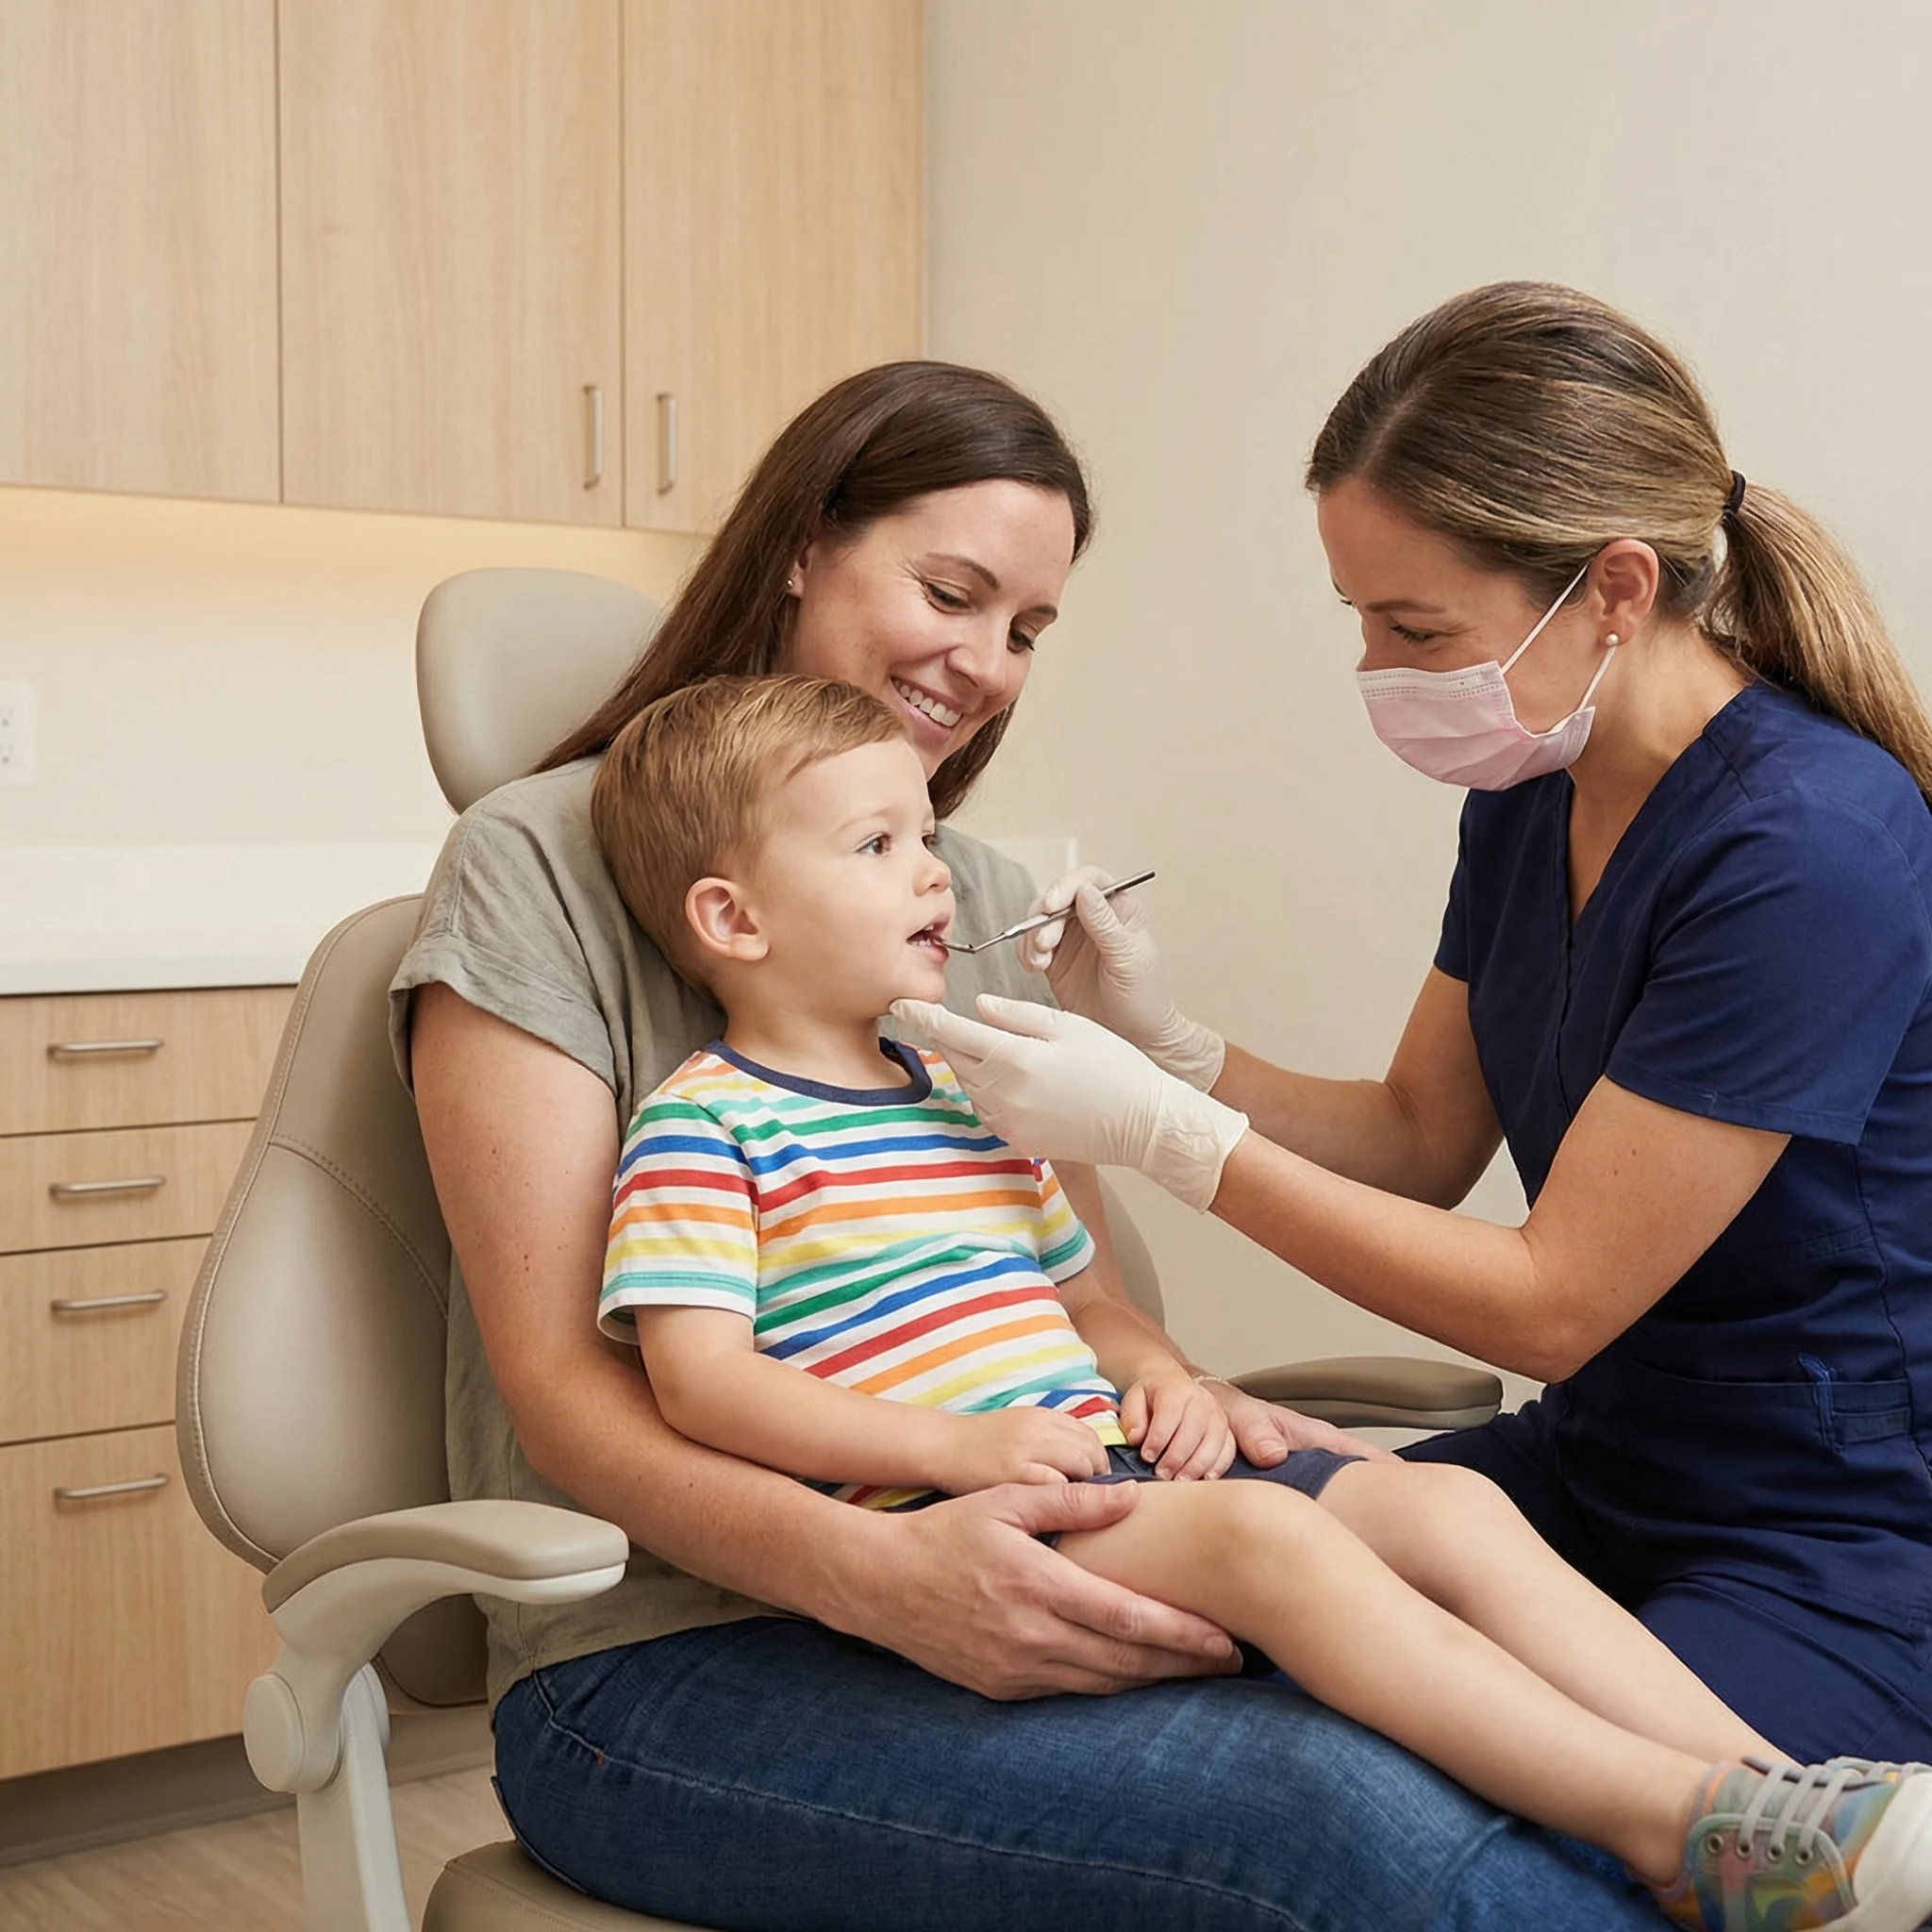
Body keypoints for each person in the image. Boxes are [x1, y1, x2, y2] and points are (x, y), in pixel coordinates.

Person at [395, 357, 1688, 1928]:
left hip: (1047, 1511)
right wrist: (882, 1578)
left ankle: (1789, 1838)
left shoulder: (958, 900)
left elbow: (1067, 1285)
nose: (987, 665)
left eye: (1028, 629)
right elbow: (568, 1403)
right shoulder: (532, 863)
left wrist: (1174, 1381)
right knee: (1348, 1818)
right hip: (676, 1655)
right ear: (804, 542)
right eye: (951, 592)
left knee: (1450, 1643)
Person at [590, 668, 1932, 1932]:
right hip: (969, 1518)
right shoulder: (709, 1126)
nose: (936, 869)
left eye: (929, 833)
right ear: (732, 919)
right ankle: (1674, 1825)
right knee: (1276, 1551)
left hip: (1101, 1474)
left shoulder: (965, 1099)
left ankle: (1801, 1811)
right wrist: (950, 1447)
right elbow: (701, 1383)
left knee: (1445, 1501)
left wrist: (1157, 1369)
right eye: (878, 846)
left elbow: (1083, 1310)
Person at [900, 284, 1932, 1780]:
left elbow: (1545, 1303)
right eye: (1363, 618)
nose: (1380, 665)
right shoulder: (1530, 795)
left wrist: (1165, 1136)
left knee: (1418, 1796)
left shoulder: (1811, 843)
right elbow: (1418, 1142)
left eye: (1417, 623)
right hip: (1592, 1472)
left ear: (1618, 590)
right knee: (1151, 1606)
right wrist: (1170, 1041)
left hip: (1829, 1537)